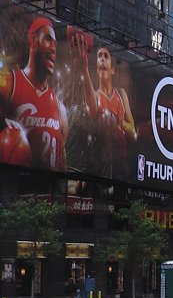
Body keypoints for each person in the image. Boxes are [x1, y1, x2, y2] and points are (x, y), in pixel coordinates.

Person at [0, 15, 68, 170]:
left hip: (45, 191)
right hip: (10, 188)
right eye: (48, 39)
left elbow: (61, 165)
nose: (53, 49)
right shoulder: (8, 83)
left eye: (56, 44)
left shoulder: (60, 108)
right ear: (32, 39)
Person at [71, 40, 136, 178]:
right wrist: (84, 69)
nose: (102, 59)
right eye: (99, 56)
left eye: (106, 56)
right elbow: (92, 111)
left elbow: (133, 133)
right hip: (100, 166)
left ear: (112, 69)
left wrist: (120, 124)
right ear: (96, 69)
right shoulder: (93, 95)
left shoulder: (121, 94)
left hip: (121, 165)